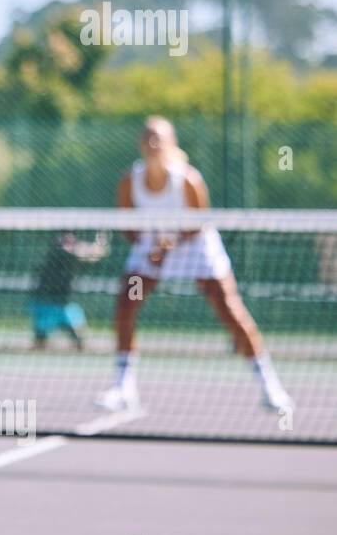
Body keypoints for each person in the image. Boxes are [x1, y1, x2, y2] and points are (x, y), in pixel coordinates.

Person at [96, 117, 292, 412]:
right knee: (128, 303)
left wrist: (165, 247)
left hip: (196, 250)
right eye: (146, 138)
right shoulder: (130, 181)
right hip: (151, 252)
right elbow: (128, 225)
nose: (151, 144)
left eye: (157, 139)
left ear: (170, 144)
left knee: (230, 311)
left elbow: (197, 223)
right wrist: (148, 247)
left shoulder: (188, 179)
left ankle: (270, 386)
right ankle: (124, 387)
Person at [29, 231, 109, 350]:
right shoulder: (58, 252)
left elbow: (93, 255)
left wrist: (101, 245)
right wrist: (98, 247)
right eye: (65, 236)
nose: (69, 238)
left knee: (80, 341)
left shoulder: (74, 252)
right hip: (45, 304)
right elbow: (81, 252)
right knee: (40, 344)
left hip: (65, 306)